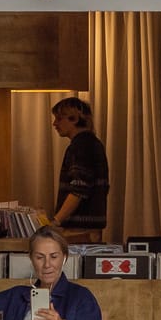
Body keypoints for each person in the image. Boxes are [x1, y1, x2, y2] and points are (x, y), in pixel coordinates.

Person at [49, 97, 109, 231]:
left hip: (80, 227)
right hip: (89, 224)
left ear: (74, 119)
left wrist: (56, 221)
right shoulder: (92, 143)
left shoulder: (81, 146)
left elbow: (79, 189)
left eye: (59, 119)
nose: (54, 123)